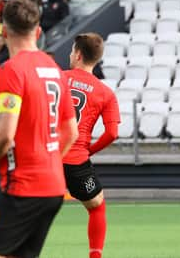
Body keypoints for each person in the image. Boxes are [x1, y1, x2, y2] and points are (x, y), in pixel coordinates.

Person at [0, 0, 78, 258]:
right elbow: (71, 131)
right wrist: (48, 161)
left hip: (23, 187)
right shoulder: (54, 69)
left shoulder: (12, 69)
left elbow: (5, 134)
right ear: (39, 31)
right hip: (53, 186)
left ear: (3, 31)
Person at [63, 33, 120, 258]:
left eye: (70, 51)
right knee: (97, 206)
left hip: (47, 157)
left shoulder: (57, 78)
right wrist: (90, 150)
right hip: (77, 161)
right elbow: (112, 133)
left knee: (31, 208)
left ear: (77, 55)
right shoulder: (105, 92)